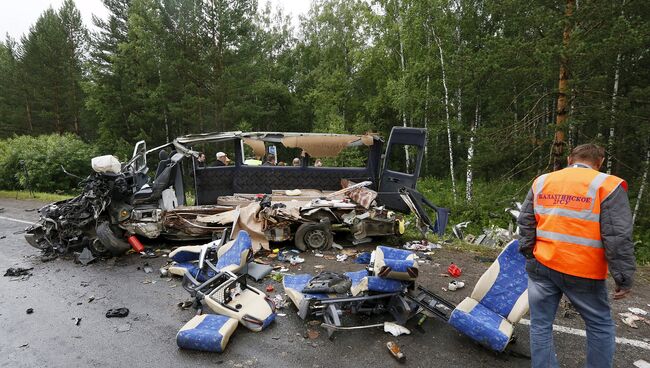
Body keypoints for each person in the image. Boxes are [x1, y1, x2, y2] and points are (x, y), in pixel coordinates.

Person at [517, 143, 635, 368]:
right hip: (583, 271)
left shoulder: (542, 181)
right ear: (600, 162)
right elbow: (617, 236)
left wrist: (528, 252)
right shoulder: (608, 185)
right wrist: (623, 277)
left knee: (540, 325)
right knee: (599, 325)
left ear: (570, 159)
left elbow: (525, 221)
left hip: (542, 264)